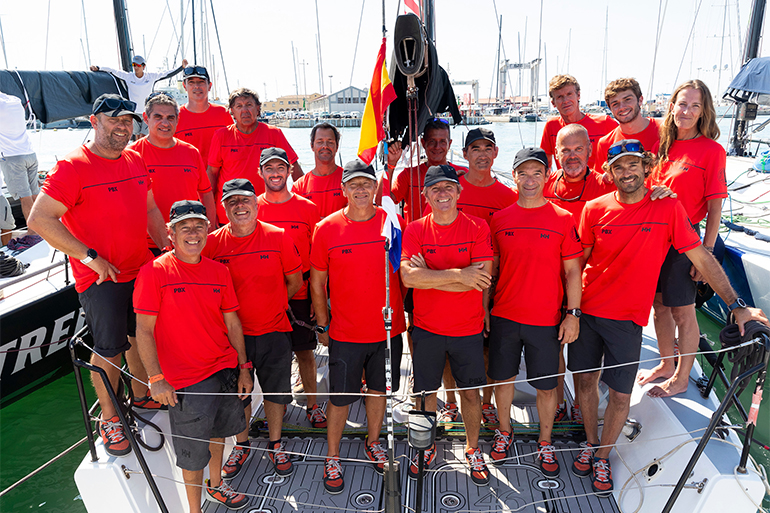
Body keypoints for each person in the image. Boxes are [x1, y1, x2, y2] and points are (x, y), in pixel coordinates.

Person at [570, 139, 768, 497]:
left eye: (633, 165)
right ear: (610, 173)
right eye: (618, 167)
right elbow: (577, 264)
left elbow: (701, 257)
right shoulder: (594, 209)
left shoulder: (667, 208)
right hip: (587, 311)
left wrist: (736, 304)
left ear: (647, 168)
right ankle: (589, 439)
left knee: (619, 393)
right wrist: (567, 310)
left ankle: (601, 455)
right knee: (584, 382)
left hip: (628, 319)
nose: (626, 172)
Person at [28, 93, 168, 457]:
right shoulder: (72, 167)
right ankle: (109, 418)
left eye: (127, 121)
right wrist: (90, 258)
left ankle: (140, 395)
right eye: (114, 120)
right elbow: (39, 219)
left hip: (140, 269)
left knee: (141, 336)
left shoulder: (136, 159)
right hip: (101, 278)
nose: (123, 127)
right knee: (109, 349)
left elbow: (151, 207)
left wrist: (165, 243)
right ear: (94, 121)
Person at [133, 200, 252, 512]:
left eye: (199, 225)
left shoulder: (219, 272)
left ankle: (217, 485)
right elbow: (143, 331)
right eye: (184, 227)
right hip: (185, 381)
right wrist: (156, 379)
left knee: (220, 435)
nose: (193, 232)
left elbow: (232, 322)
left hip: (223, 370)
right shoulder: (154, 272)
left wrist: (244, 367)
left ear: (208, 230)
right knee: (192, 453)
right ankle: (194, 510)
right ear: (171, 234)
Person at [310, 160, 406, 494]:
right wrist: (322, 323)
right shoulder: (325, 228)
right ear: (343, 190)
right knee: (340, 398)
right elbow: (318, 283)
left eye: (367, 183)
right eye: (354, 185)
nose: (361, 190)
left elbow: (406, 271)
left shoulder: (391, 222)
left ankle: (374, 441)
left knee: (380, 390)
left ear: (376, 187)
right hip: (346, 333)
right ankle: (332, 455)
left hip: (387, 330)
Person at [488, 148, 583, 478]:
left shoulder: (562, 219)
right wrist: (486, 312)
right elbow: (493, 268)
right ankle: (504, 431)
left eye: (537, 173)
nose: (530, 180)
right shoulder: (499, 220)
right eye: (523, 173)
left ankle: (545, 440)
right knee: (503, 379)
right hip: (505, 315)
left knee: (546, 386)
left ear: (546, 177)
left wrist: (573, 314)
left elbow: (573, 271)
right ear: (513, 176)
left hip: (545, 319)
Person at [203, 177, 303, 481]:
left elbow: (295, 281)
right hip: (232, 338)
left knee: (276, 393)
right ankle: (242, 444)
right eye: (231, 201)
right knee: (238, 395)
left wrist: (273, 304)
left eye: (245, 200)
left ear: (256, 203)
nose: (239, 206)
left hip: (274, 331)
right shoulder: (212, 244)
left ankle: (275, 443)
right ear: (223, 209)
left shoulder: (278, 237)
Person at [400, 164, 493, 485]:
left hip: (467, 329)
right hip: (426, 328)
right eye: (435, 189)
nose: (442, 194)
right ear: (425, 195)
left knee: (470, 394)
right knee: (424, 393)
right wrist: (459, 275)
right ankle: (424, 446)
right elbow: (408, 277)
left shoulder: (477, 227)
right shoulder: (414, 230)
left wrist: (431, 276)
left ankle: (472, 447)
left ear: (459, 192)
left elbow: (481, 279)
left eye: (448, 187)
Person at [641, 80, 728, 397]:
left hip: (685, 241)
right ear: (672, 107)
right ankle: (666, 364)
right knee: (659, 307)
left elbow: (715, 206)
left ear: (703, 111)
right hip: (654, 240)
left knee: (683, 310)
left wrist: (705, 255)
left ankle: (680, 378)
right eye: (682, 103)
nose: (687, 111)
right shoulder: (662, 147)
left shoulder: (712, 151)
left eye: (695, 105)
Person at [255, 147, 326, 428]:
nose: (275, 173)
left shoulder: (308, 208)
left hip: (300, 292)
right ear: (260, 172)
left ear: (289, 171)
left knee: (305, 352)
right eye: (269, 168)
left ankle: (312, 404)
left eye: (280, 168)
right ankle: (278, 404)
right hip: (264, 296)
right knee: (274, 355)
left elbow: (318, 254)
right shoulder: (252, 207)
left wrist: (314, 296)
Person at [132, 92, 217, 253]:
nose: (165, 123)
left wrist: (209, 231)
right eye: (158, 116)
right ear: (145, 118)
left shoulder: (191, 152)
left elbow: (206, 194)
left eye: (170, 118)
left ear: (177, 120)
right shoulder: (132, 155)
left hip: (188, 242)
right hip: (146, 246)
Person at [208, 88, 302, 225]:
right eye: (239, 106)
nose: (244, 110)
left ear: (258, 109)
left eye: (249, 105)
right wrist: (211, 212)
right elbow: (211, 174)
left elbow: (294, 167)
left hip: (265, 213)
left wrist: (301, 202)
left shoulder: (274, 134)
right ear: (231, 111)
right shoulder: (221, 136)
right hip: (229, 214)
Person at [384, 118, 468, 224]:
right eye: (432, 142)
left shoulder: (463, 174)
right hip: (416, 238)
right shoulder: (409, 175)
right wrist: (391, 165)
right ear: (423, 143)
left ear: (449, 144)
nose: (437, 147)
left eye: (442, 142)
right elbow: (382, 202)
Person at [90, 55, 188, 137]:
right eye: (133, 65)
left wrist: (181, 67)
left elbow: (167, 74)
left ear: (143, 66)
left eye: (137, 65)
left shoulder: (150, 77)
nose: (135, 67)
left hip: (147, 111)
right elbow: (113, 71)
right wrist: (98, 68)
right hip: (134, 113)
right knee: (136, 136)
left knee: (143, 135)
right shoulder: (129, 77)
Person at [540, 75, 617, 170]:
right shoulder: (552, 126)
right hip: (567, 183)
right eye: (560, 97)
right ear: (553, 103)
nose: (565, 101)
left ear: (578, 95)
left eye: (569, 94)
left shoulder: (605, 123)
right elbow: (544, 166)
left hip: (599, 183)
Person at [0, 90, 41, 248]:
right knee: (34, 195)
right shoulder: (15, 100)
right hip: (30, 154)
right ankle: (43, 229)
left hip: (12, 158)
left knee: (25, 198)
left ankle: (32, 232)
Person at [594, 78, 661, 173]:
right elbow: (603, 182)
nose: (622, 107)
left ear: (640, 100)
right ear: (610, 109)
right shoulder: (605, 144)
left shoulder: (664, 131)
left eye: (627, 100)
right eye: (615, 104)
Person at [175, 66, 234, 166]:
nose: (196, 86)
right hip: (189, 178)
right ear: (184, 86)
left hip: (220, 178)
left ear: (209, 86)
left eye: (201, 82)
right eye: (191, 82)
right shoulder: (175, 117)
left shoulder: (223, 113)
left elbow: (234, 145)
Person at [291, 123, 347, 218]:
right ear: (312, 146)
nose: (325, 146)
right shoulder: (299, 187)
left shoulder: (348, 180)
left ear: (337, 146)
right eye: (320, 142)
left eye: (330, 142)